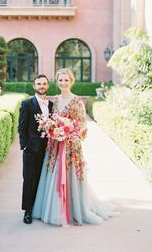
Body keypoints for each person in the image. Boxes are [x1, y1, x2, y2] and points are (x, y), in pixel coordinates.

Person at [33, 68, 119, 226]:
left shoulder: (76, 101)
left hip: (71, 145)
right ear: (56, 81)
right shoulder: (56, 100)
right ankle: (53, 209)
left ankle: (75, 208)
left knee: (70, 174)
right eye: (60, 80)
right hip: (55, 144)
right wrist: (54, 129)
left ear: (71, 81)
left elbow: (82, 124)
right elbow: (52, 119)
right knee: (54, 174)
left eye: (66, 80)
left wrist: (69, 133)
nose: (63, 83)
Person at [18, 74, 53, 224]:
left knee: (42, 179)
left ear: (48, 86)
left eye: (44, 84)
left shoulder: (51, 105)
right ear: (34, 86)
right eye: (39, 84)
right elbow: (21, 127)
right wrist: (25, 145)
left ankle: (39, 207)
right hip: (31, 149)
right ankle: (28, 210)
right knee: (29, 179)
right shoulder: (27, 104)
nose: (41, 86)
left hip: (48, 150)